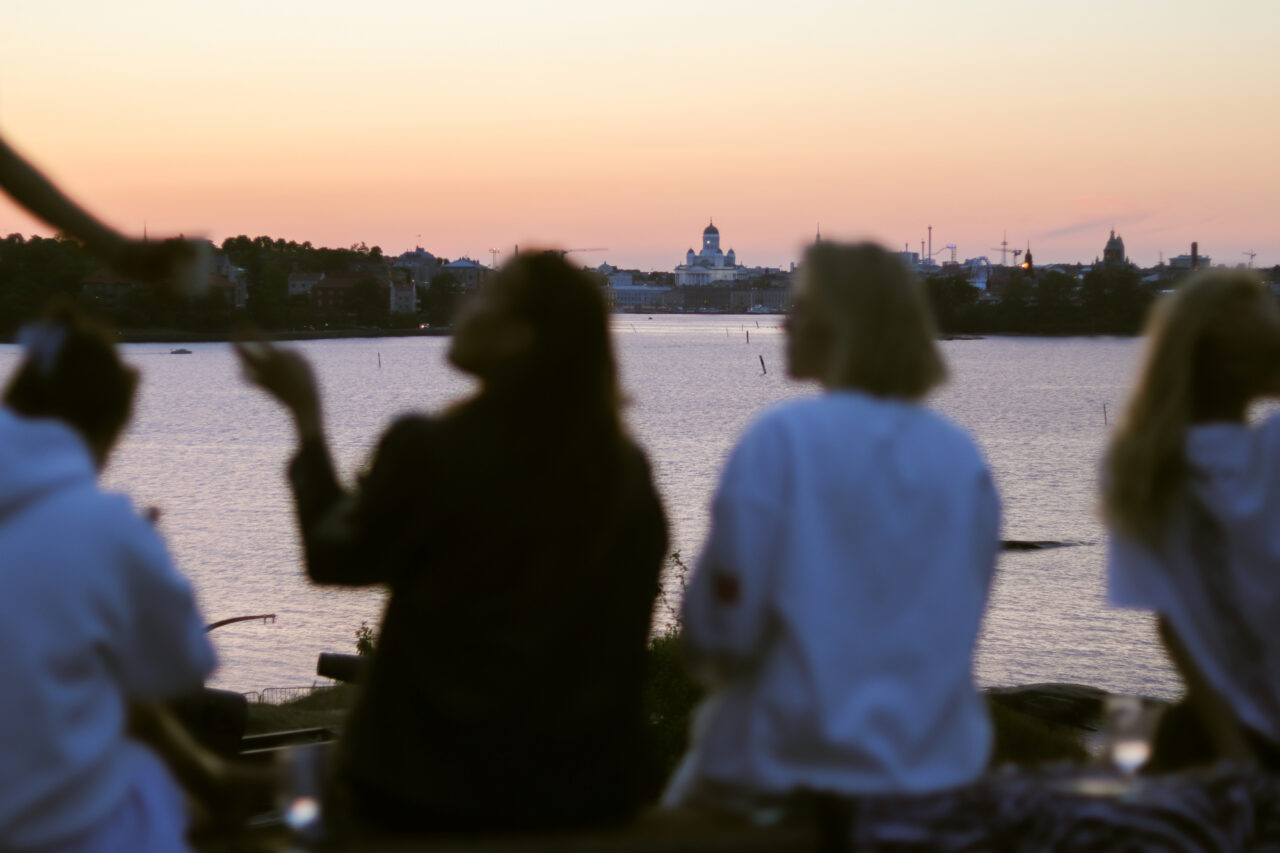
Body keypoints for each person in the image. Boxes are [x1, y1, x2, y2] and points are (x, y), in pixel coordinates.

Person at [236, 251, 668, 832]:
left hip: (429, 796)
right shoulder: (627, 475)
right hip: (584, 799)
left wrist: (308, 422)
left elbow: (333, 556)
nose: (466, 305)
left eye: (487, 295)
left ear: (519, 336)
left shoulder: (431, 449)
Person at [664, 242, 1000, 817]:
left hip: (787, 777)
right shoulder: (961, 457)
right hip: (936, 777)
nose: (784, 323)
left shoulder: (783, 439)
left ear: (837, 326)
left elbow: (720, 627)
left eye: (800, 308)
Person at [0, 304, 218, 852]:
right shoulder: (106, 529)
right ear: (107, 427)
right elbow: (182, 666)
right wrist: (144, 564)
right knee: (146, 780)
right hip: (59, 830)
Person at [1104, 269, 1280, 770]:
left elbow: (1171, 625)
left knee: (1126, 734)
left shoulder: (1139, 467)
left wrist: (1234, 751)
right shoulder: (1271, 449)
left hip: (1219, 729)